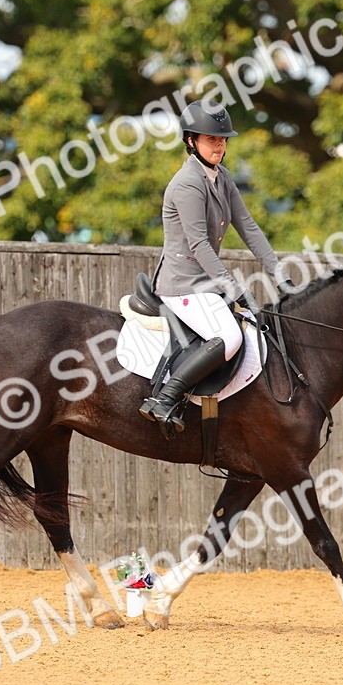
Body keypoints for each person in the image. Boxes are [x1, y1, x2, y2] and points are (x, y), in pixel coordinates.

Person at [138, 99, 292, 434]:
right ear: (191, 140)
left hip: (204, 283)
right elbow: (199, 245)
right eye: (212, 138)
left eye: (222, 139)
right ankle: (166, 397)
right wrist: (233, 289)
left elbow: (248, 226)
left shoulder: (221, 177)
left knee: (254, 330)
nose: (219, 144)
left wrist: (280, 275)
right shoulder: (187, 183)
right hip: (182, 283)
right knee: (229, 336)